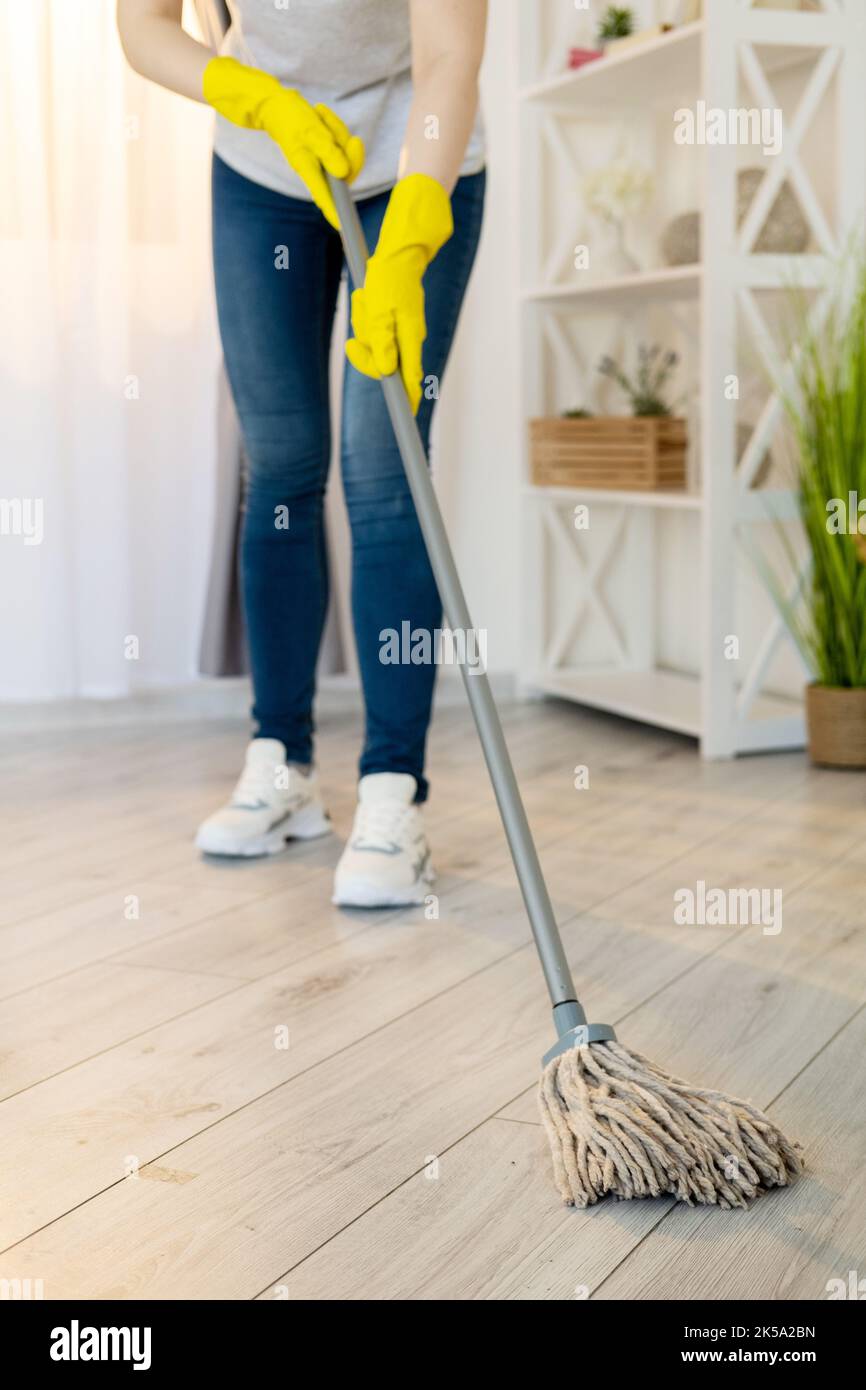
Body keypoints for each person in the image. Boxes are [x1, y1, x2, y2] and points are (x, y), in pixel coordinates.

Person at [117, 0, 487, 906]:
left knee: (385, 467)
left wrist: (409, 241)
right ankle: (282, 765)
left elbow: (447, 58)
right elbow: (144, 27)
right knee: (279, 465)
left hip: (415, 163)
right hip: (261, 167)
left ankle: (392, 794)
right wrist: (248, 94)